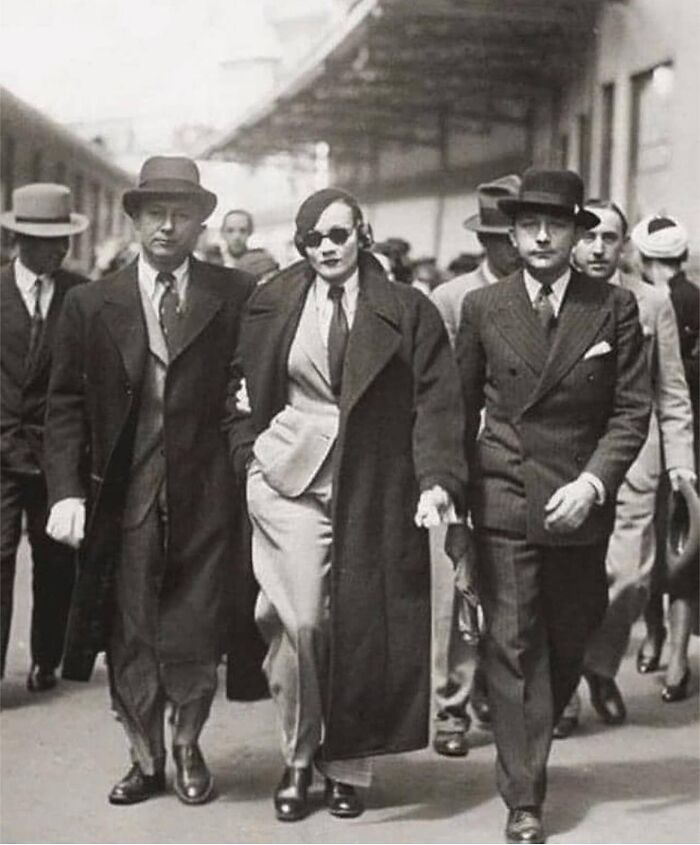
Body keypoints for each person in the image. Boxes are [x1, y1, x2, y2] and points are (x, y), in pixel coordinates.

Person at [226, 187, 467, 822]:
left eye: (338, 234)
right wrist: (247, 452)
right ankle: (299, 753)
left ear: (362, 233)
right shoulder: (274, 300)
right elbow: (239, 384)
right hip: (287, 478)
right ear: (301, 245)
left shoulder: (408, 311)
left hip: (375, 482)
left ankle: (346, 765)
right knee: (303, 620)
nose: (327, 248)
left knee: (364, 625)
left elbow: (437, 402)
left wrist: (437, 479)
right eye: (314, 238)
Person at [43, 156, 256, 807]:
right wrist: (66, 490)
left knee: (195, 626)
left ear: (199, 224)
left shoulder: (234, 294)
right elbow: (64, 403)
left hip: (206, 492)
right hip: (126, 494)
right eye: (155, 213)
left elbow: (248, 387)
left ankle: (187, 743)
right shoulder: (90, 303)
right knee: (131, 628)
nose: (168, 226)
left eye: (181, 214)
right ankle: (146, 755)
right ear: (135, 220)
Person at [455, 169, 651, 844]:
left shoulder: (613, 307)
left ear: (577, 235)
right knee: (512, 643)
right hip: (505, 495)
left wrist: (592, 483)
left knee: (571, 631)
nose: (542, 237)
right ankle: (525, 793)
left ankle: (531, 722)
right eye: (529, 226)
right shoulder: (484, 307)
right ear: (511, 235)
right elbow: (459, 410)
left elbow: (631, 411)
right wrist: (451, 497)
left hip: (578, 500)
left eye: (556, 225)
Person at [552, 201, 695, 738]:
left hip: (638, 455)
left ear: (624, 246)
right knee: (568, 578)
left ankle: (599, 664)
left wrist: (681, 465)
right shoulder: (557, 298)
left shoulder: (653, 303)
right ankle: (565, 689)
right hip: (568, 454)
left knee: (632, 577)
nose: (597, 248)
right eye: (588, 237)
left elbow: (672, 391)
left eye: (609, 238)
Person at [429, 174, 522, 757]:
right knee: (459, 582)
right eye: (499, 238)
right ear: (485, 241)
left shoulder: (544, 293)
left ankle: (495, 687)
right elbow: (440, 392)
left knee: (512, 583)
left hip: (521, 459)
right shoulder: (452, 298)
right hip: (464, 452)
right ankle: (452, 704)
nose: (511, 247)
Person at [0, 183, 88, 692]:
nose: (59, 249)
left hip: (58, 451)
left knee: (57, 559)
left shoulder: (81, 295)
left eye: (63, 239)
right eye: (47, 240)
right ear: (20, 241)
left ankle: (46, 659)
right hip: (2, 448)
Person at [632, 214, 700, 701]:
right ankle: (676, 658)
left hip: (650, 436)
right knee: (686, 545)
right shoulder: (696, 298)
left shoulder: (641, 302)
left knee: (651, 542)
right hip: (691, 437)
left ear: (640, 256)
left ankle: (655, 637)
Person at [220, 208, 277, 280]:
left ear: (250, 232)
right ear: (222, 233)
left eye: (242, 231)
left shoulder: (261, 261)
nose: (236, 237)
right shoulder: (214, 263)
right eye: (230, 231)